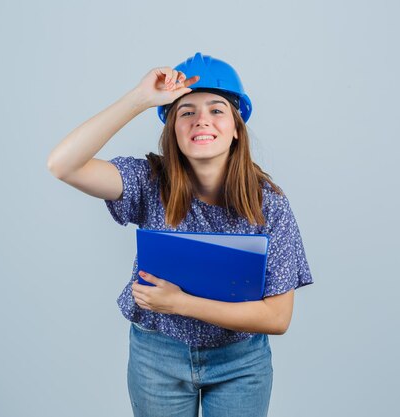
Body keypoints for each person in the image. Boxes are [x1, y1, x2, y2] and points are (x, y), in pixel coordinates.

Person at [47, 52, 313, 417]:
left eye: (217, 110)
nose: (201, 120)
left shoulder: (270, 205)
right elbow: (62, 164)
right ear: (172, 128)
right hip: (158, 357)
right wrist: (139, 99)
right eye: (186, 112)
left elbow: (277, 318)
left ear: (237, 128)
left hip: (240, 361)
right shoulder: (148, 182)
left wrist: (179, 303)